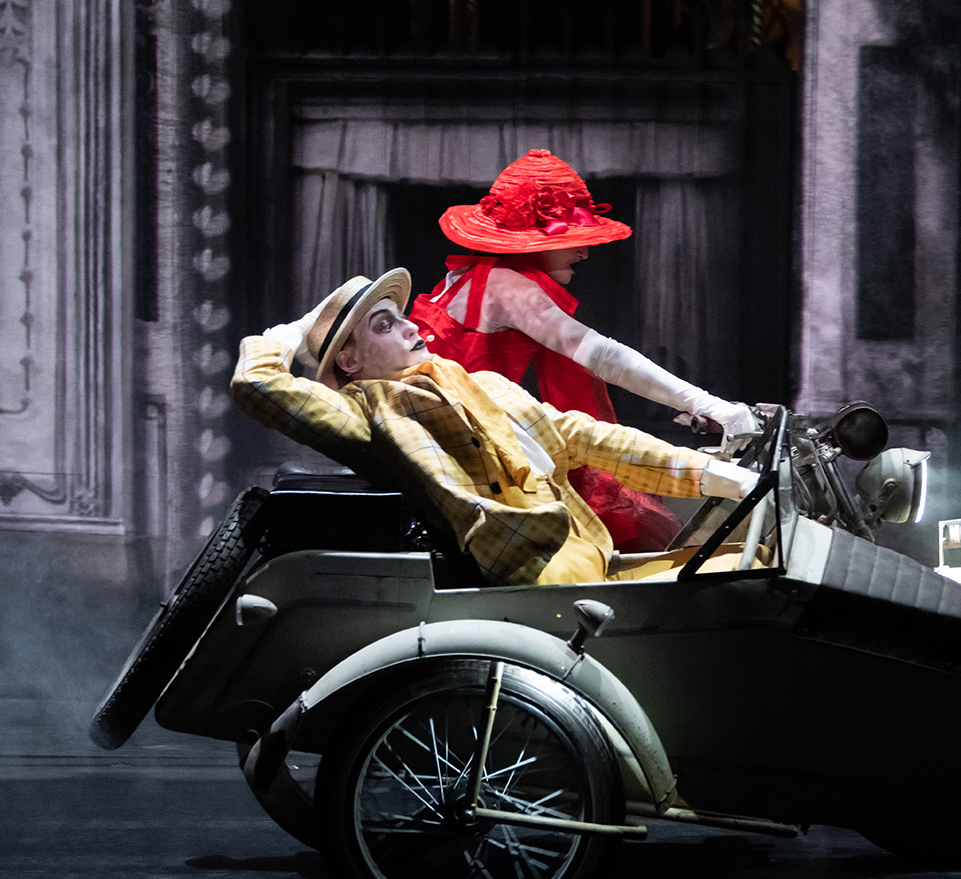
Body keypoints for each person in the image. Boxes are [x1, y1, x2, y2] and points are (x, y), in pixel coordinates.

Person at [231, 268, 759, 586]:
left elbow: (584, 437)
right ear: (348, 360)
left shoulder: (482, 382)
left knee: (760, 559)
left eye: (400, 314)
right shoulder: (369, 409)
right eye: (383, 324)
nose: (410, 324)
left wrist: (714, 476)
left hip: (588, 555)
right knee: (746, 582)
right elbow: (257, 384)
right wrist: (299, 330)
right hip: (538, 579)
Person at [405, 149, 758, 553]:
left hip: (460, 442)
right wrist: (708, 404)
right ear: (532, 241)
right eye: (573, 239)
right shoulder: (504, 284)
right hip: (467, 454)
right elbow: (604, 356)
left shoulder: (473, 277)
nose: (584, 252)